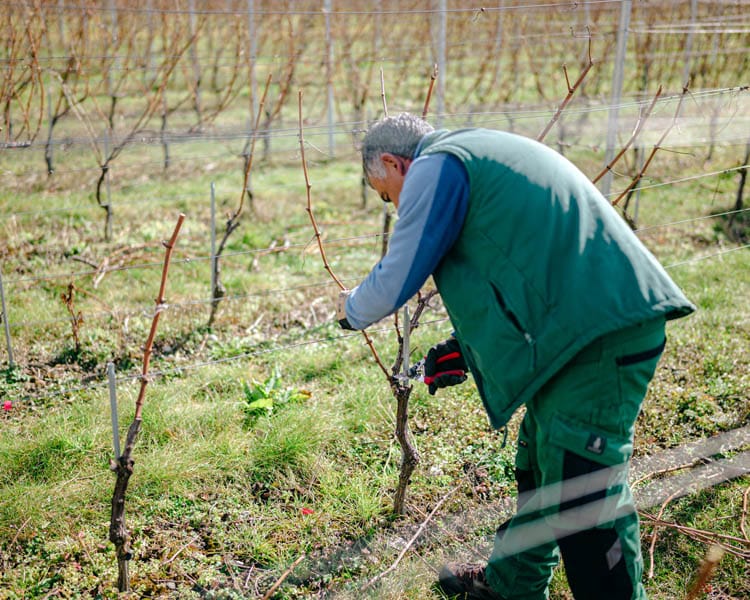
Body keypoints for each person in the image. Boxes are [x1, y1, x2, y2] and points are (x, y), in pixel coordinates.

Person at [335, 113, 695, 599]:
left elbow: (401, 272)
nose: (393, 204)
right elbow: (523, 267)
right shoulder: (476, 155)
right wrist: (465, 350)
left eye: (386, 194)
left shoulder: (436, 166)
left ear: (392, 163)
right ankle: (511, 588)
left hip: (598, 338)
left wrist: (350, 311)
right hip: (580, 329)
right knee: (542, 466)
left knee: (583, 497)